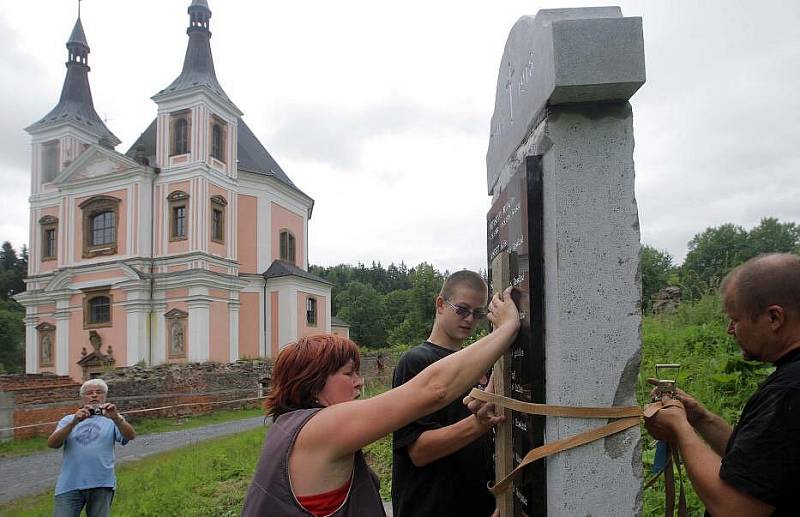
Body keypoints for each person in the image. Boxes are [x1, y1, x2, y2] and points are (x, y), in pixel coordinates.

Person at [241, 287, 519, 517]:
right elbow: (434, 389)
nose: (360, 382)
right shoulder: (318, 428)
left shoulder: (288, 428)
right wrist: (506, 328)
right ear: (313, 383)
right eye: (348, 373)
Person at [644, 253, 800, 516]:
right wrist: (701, 419)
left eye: (735, 320)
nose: (730, 330)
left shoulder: (789, 391)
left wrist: (680, 429)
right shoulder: (790, 379)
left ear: (774, 318)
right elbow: (760, 466)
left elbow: (735, 509)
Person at [391, 270, 501, 517]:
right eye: (462, 309)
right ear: (441, 304)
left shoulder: (480, 364)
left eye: (478, 313)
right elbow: (419, 451)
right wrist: (477, 425)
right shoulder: (416, 362)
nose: (470, 319)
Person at [48, 378, 136, 517]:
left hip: (101, 483)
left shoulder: (113, 419)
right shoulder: (68, 419)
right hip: (70, 484)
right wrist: (74, 422)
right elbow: (52, 444)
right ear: (83, 398)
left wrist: (116, 418)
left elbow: (130, 436)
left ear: (105, 397)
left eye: (99, 392)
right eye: (89, 393)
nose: (94, 395)